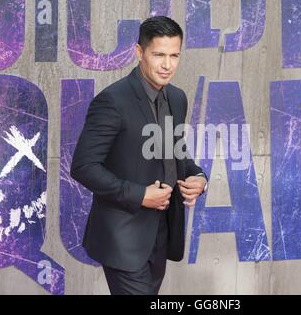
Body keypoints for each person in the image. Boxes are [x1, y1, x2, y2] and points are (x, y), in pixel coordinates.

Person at [70, 16, 207, 295]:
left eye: (174, 55)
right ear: (139, 52)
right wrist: (139, 195)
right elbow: (83, 166)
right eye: (158, 55)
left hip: (163, 233)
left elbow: (175, 156)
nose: (167, 65)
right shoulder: (113, 101)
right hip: (123, 235)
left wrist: (199, 177)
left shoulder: (177, 98)